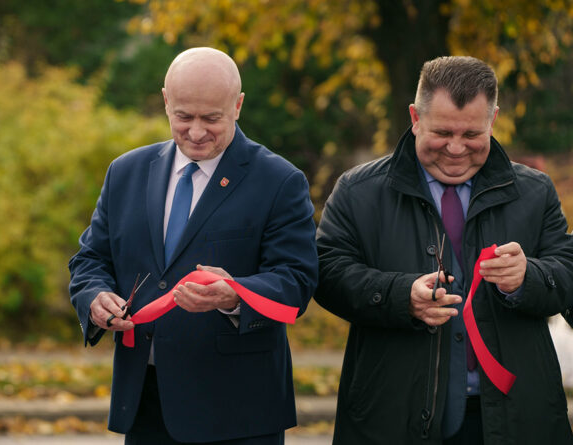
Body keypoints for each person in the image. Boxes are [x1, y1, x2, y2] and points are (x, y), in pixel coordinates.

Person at [315, 55, 573, 444]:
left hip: (517, 419)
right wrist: (400, 296)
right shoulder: (357, 191)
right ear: (415, 118)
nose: (455, 149)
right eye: (442, 132)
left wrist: (528, 278)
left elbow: (567, 275)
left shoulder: (535, 192)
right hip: (392, 417)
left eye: (472, 135)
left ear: (494, 119)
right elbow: (326, 274)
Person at [69, 47, 318, 444]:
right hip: (146, 404)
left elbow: (298, 281)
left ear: (237, 106)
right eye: (183, 116)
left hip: (238, 412)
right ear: (166, 101)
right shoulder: (126, 172)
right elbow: (91, 259)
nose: (197, 132)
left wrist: (235, 295)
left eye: (212, 118)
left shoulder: (280, 181)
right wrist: (95, 296)